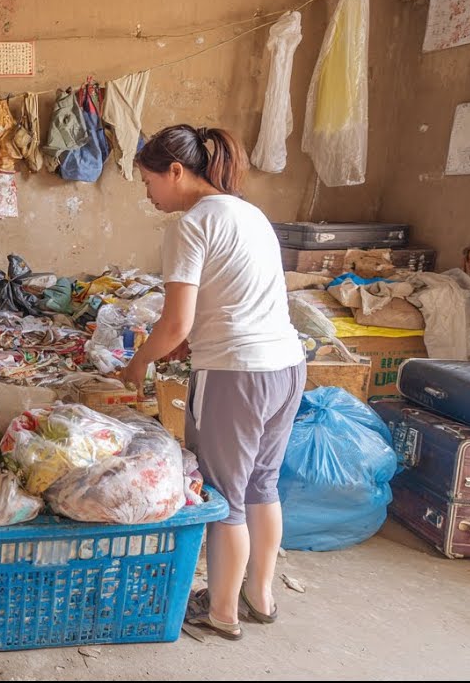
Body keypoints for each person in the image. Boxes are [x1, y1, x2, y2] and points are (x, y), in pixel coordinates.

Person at [118, 124, 304, 641]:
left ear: (176, 172)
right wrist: (187, 338)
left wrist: (138, 365)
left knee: (223, 495)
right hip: (286, 366)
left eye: (149, 181)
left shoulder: (190, 225)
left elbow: (175, 323)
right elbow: (234, 298)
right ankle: (258, 596)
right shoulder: (250, 213)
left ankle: (221, 611)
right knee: (262, 485)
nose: (148, 193)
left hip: (238, 375)